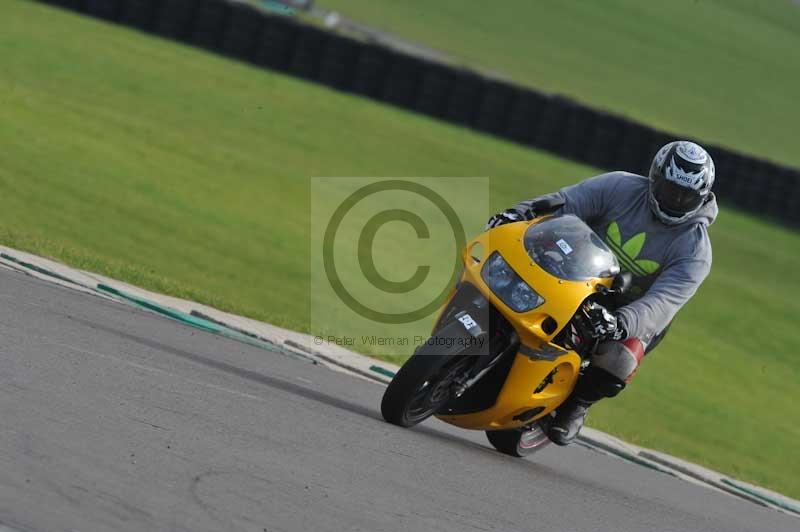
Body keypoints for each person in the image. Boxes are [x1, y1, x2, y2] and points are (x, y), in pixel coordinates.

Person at [486, 140, 718, 445]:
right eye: (669, 189)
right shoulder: (618, 186)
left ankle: (576, 405)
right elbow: (566, 203)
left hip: (625, 310)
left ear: (701, 197)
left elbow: (662, 303)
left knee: (619, 360)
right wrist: (518, 215)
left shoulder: (695, 251)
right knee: (505, 269)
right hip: (573, 272)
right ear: (654, 177)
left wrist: (621, 323)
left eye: (685, 196)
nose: (674, 200)